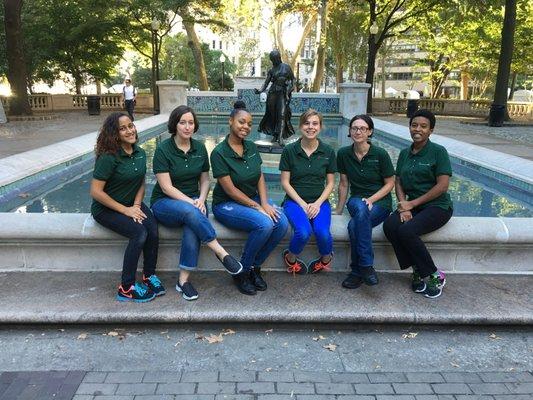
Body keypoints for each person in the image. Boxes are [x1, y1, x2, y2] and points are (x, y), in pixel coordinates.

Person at [150, 105, 243, 301]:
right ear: (174, 125)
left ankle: (183, 281)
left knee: (193, 222)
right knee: (192, 213)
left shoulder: (200, 148)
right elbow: (166, 188)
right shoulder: (162, 150)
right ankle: (221, 252)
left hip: (194, 202)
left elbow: (205, 180)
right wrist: (192, 202)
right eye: (182, 122)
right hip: (165, 203)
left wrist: (201, 199)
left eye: (190, 123)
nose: (187, 127)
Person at [211, 101, 289, 295]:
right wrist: (258, 207)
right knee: (264, 224)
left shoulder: (252, 147)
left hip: (253, 198)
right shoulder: (219, 153)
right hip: (227, 204)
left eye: (249, 123)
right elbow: (230, 190)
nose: (245, 126)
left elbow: (259, 176)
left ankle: (255, 266)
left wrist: (264, 202)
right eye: (241, 122)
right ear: (231, 121)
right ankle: (242, 272)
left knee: (282, 223)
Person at [90, 112, 164, 302]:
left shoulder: (139, 152)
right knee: (139, 233)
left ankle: (148, 276)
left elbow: (140, 182)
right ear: (114, 133)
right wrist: (126, 210)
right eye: (123, 128)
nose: (129, 130)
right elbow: (96, 192)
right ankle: (126, 287)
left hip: (132, 203)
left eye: (130, 126)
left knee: (153, 230)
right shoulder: (109, 157)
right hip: (106, 209)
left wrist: (137, 205)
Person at [382, 109, 453, 299]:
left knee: (406, 231)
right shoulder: (405, 153)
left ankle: (434, 275)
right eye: (414, 125)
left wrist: (412, 204)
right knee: (390, 225)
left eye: (423, 126)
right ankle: (417, 269)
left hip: (437, 206)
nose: (418, 129)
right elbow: (398, 182)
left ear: (431, 130)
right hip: (411, 204)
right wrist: (403, 203)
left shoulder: (438, 152)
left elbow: (442, 186)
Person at [335, 115, 395, 289]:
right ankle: (367, 265)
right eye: (354, 128)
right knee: (360, 209)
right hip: (356, 199)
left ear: (370, 132)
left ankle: (357, 271)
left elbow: (390, 183)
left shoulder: (380, 154)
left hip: (381, 203)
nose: (358, 131)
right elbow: (344, 184)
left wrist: (372, 199)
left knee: (354, 226)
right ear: (350, 131)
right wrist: (339, 210)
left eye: (362, 128)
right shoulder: (344, 153)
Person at [279, 109, 337, 274]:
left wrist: (318, 204)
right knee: (303, 232)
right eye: (307, 123)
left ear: (320, 127)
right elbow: (285, 182)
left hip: (320, 202)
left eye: (315, 123)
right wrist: (303, 205)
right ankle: (290, 258)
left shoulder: (328, 151)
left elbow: (331, 182)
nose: (310, 127)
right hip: (294, 202)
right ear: (300, 126)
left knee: (322, 233)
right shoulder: (290, 150)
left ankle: (325, 259)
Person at [255, 50, 295, 145]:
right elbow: (266, 83)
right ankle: (275, 134)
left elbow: (293, 81)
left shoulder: (286, 67)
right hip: (272, 93)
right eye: (272, 60)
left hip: (282, 93)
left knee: (281, 115)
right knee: (273, 115)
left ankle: (280, 137)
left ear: (278, 58)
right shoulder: (272, 70)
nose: (273, 62)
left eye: (274, 59)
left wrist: (289, 90)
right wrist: (260, 90)